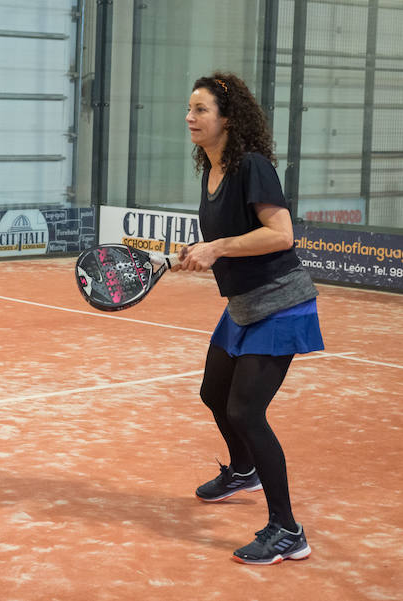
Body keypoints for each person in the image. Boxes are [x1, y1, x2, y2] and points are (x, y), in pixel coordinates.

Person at [175, 72, 323, 565]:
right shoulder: (211, 170)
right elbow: (230, 243)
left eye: (200, 110)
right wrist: (199, 252)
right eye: (190, 109)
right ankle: (243, 470)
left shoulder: (252, 166)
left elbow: (281, 235)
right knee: (213, 394)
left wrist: (216, 247)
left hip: (280, 303)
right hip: (242, 306)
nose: (190, 118)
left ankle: (287, 530)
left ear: (228, 118)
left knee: (245, 411)